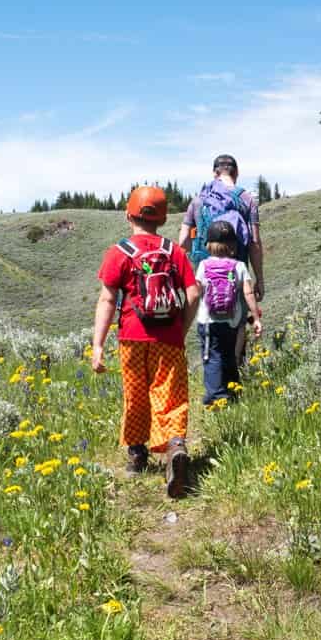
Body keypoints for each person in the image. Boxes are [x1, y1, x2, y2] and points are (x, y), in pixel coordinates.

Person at [92, 185, 200, 497]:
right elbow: (193, 293)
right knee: (169, 395)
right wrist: (181, 328)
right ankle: (175, 447)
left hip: (131, 336)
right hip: (168, 337)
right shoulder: (173, 251)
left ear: (129, 214)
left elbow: (107, 300)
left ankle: (137, 456)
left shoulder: (120, 252)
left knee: (136, 395)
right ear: (163, 219)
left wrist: (98, 345)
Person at [180, 154, 263, 304]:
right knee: (237, 322)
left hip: (205, 276)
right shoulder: (247, 199)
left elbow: (183, 241)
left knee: (207, 318)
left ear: (214, 173)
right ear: (236, 173)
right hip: (236, 274)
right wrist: (259, 279)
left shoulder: (198, 200)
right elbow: (254, 243)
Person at [195, 219, 262, 405]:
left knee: (211, 357)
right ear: (232, 245)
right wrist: (255, 317)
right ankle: (233, 393)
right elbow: (248, 293)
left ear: (208, 244)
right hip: (232, 321)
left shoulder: (203, 266)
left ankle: (216, 398)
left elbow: (196, 291)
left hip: (208, 321)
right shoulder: (239, 266)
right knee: (230, 356)